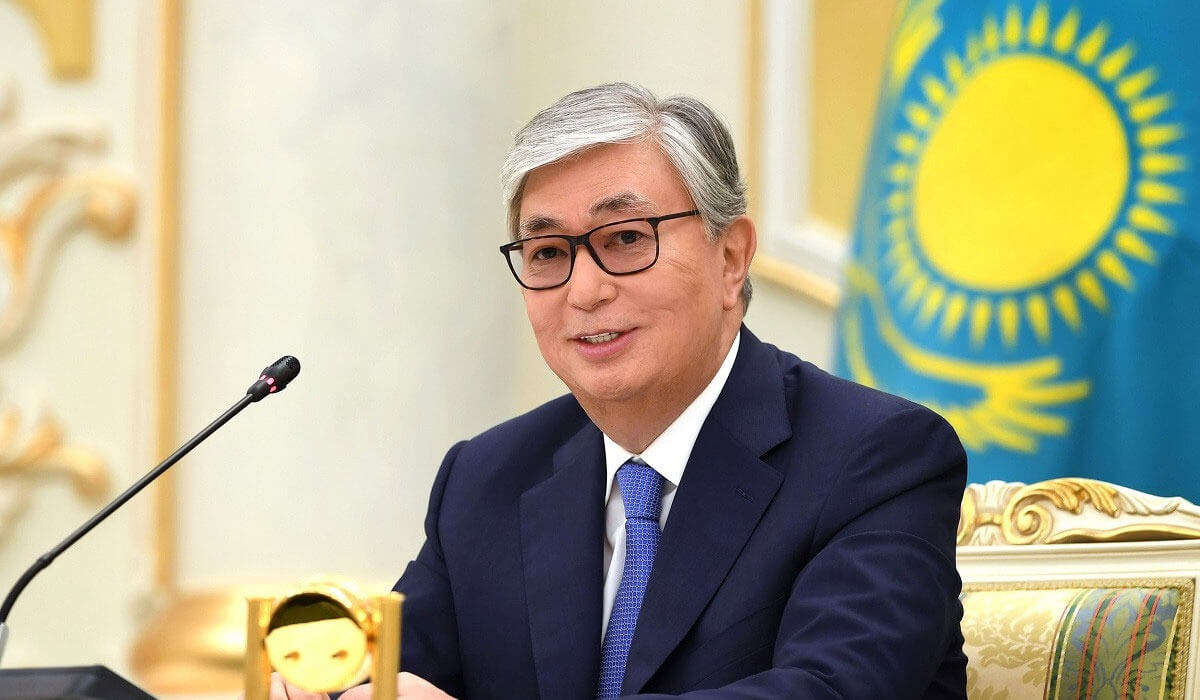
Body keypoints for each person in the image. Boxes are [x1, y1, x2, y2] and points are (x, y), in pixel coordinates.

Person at [272, 82, 967, 699]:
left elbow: (828, 689)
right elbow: (385, 673)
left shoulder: (875, 458)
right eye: (548, 252)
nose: (584, 290)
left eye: (627, 238)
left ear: (732, 258)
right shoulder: (486, 480)